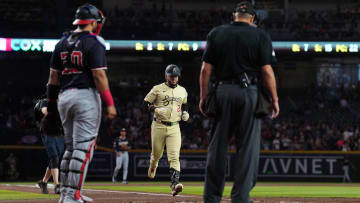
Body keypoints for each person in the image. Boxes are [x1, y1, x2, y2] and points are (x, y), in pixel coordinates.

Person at [199, 2, 279, 203]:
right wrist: (274, 99)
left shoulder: (216, 33)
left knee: (217, 147)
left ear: (234, 15)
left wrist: (203, 97)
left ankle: (211, 197)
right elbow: (267, 72)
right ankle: (241, 198)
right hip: (248, 93)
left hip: (222, 90)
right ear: (252, 19)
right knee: (247, 147)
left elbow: (205, 70)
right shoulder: (260, 35)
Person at [42, 3, 117, 203]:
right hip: (85, 97)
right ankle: (72, 196)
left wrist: (50, 107)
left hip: (64, 98)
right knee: (83, 148)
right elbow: (99, 75)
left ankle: (67, 194)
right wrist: (109, 103)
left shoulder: (61, 43)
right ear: (92, 23)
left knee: (71, 148)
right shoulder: (94, 42)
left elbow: (53, 78)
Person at [144, 64, 189, 196]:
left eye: (175, 76)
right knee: (157, 154)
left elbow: (184, 103)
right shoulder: (157, 88)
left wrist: (185, 112)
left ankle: (175, 184)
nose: (174, 78)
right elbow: (146, 102)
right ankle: (153, 164)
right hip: (158, 125)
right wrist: (155, 109)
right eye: (171, 76)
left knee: (174, 156)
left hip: (175, 126)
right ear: (166, 76)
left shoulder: (182, 90)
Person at [35, 98, 64, 194]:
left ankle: (43, 182)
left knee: (55, 158)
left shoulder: (64, 102)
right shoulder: (46, 101)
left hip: (59, 133)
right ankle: (57, 185)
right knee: (54, 157)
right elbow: (44, 111)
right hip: (47, 132)